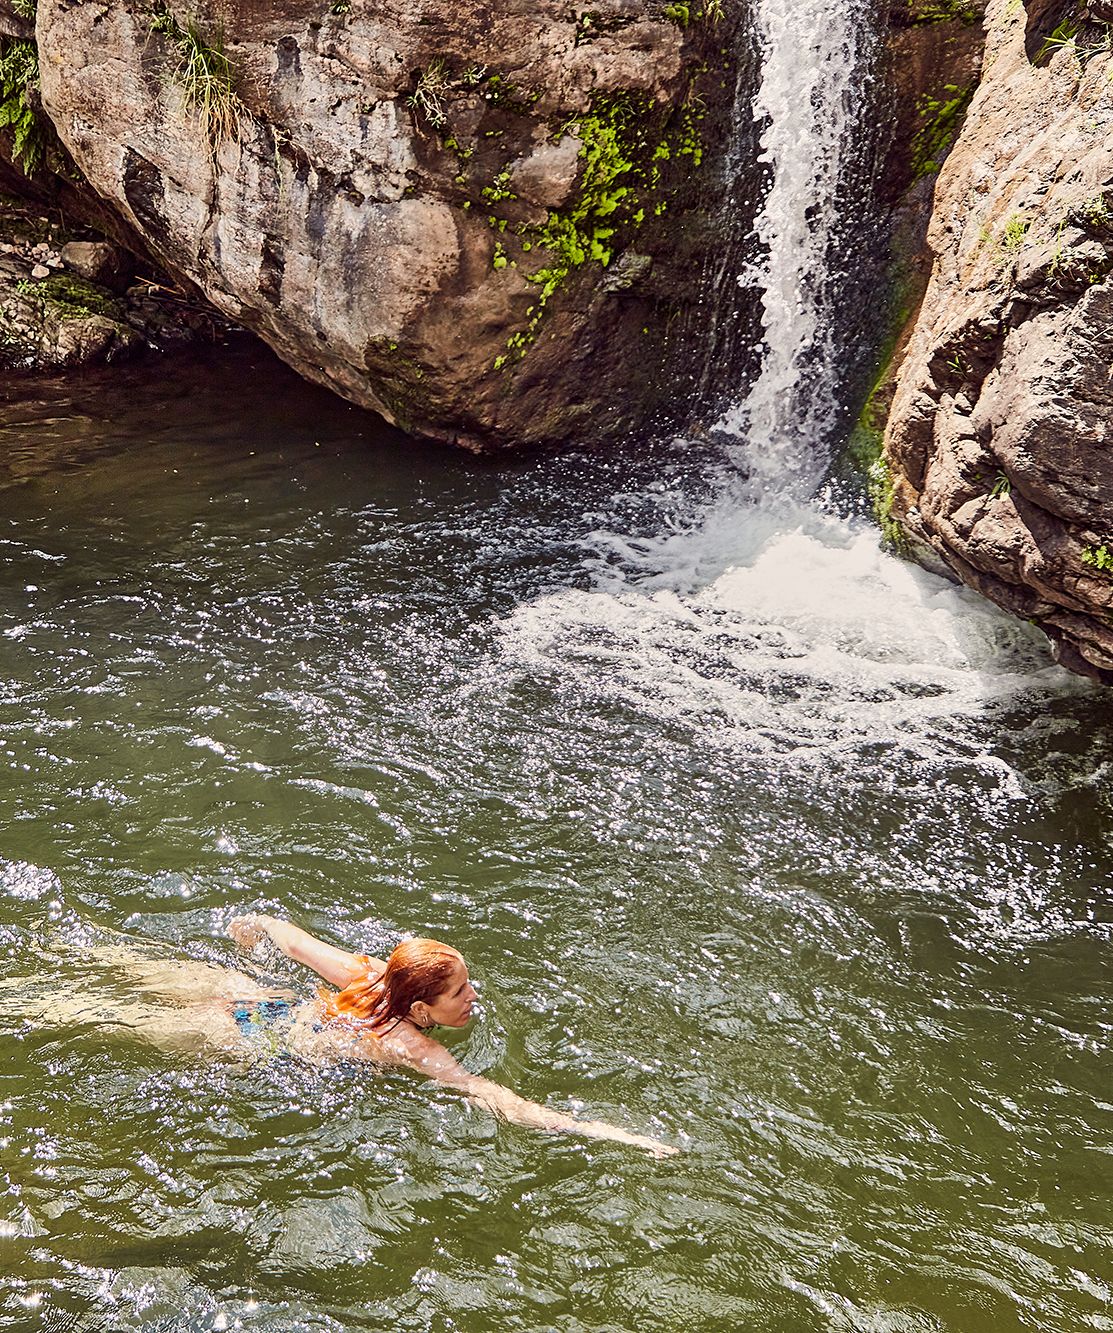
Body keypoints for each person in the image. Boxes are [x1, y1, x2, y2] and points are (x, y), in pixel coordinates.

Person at [213, 914, 677, 1157]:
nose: (473, 996)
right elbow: (500, 1100)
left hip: (263, 1006)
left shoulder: (373, 974)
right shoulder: (415, 1046)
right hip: (255, 1043)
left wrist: (252, 927)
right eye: (459, 992)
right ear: (420, 1009)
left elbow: (294, 943)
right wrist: (614, 1135)